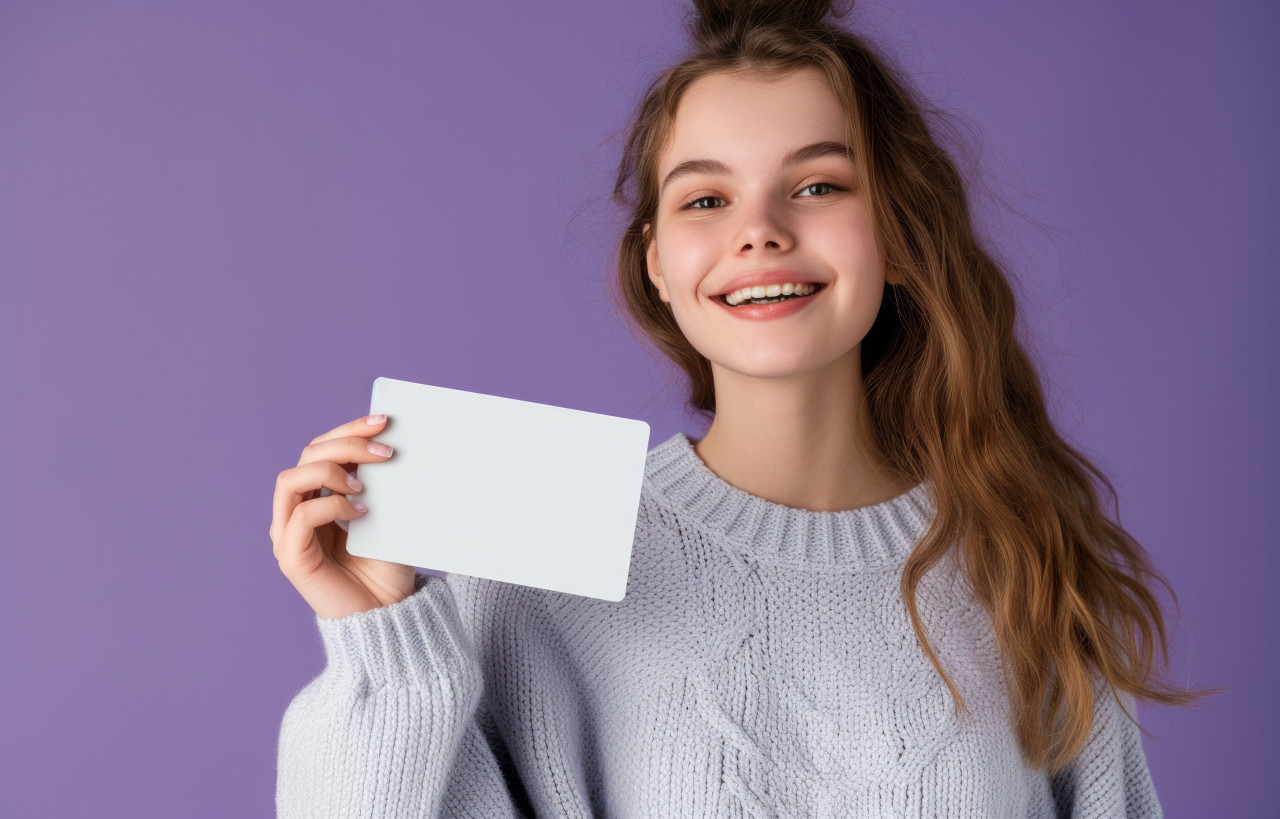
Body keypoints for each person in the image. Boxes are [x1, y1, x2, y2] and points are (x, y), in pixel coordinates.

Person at [273, 0, 1219, 815]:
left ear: (895, 227)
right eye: (706, 199)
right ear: (657, 261)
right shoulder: (544, 561)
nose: (760, 230)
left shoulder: (1022, 554)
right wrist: (382, 648)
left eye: (816, 185)